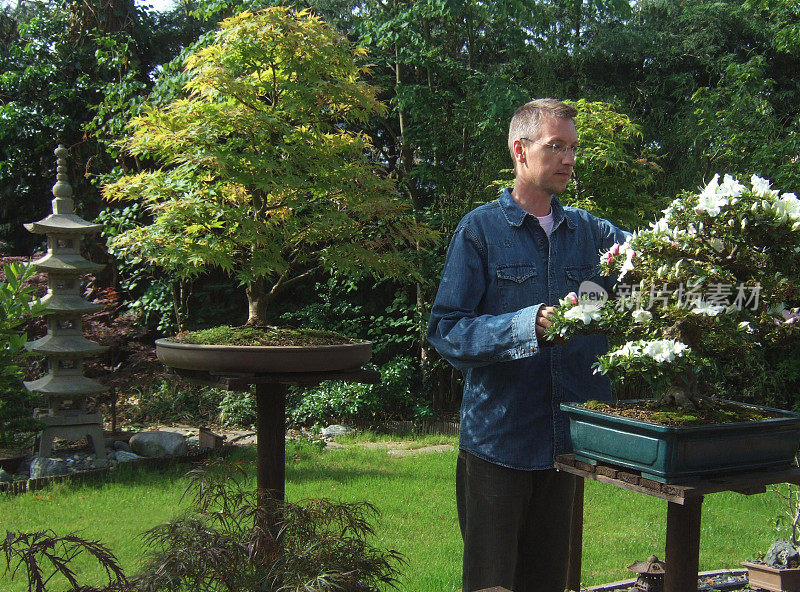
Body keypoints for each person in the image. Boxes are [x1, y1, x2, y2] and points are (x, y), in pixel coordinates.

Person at [427, 98, 628, 592]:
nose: (568, 159)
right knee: (492, 584)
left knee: (549, 582)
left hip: (567, 446)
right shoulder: (480, 231)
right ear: (520, 150)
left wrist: (595, 300)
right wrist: (527, 326)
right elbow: (446, 331)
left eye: (573, 148)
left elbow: (649, 265)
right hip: (499, 443)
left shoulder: (592, 233)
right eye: (555, 146)